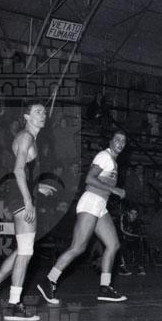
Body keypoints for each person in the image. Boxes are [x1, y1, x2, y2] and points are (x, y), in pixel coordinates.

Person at [0, 103, 55, 321]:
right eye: (37, 111)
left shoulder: (30, 139)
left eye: (44, 111)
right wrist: (28, 200)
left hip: (21, 195)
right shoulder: (26, 137)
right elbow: (17, 170)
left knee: (22, 249)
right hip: (21, 199)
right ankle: (13, 305)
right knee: (26, 251)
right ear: (26, 116)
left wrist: (37, 187)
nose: (43, 114)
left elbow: (25, 172)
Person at [37, 130, 128, 304]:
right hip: (91, 202)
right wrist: (114, 189)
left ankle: (105, 287)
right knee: (78, 247)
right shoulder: (104, 157)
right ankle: (49, 280)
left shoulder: (113, 162)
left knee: (113, 244)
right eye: (117, 139)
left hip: (100, 205)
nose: (120, 143)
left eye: (123, 141)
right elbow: (89, 179)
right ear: (110, 141)